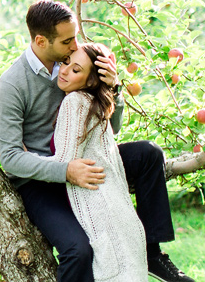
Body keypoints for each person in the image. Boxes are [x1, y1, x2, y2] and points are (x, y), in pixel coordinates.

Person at [0, 0, 194, 282]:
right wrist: (66, 170)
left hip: (87, 159)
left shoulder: (73, 62)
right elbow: (11, 158)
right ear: (41, 41)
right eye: (68, 40)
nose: (76, 45)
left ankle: (151, 253)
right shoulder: (13, 85)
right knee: (79, 249)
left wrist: (113, 88)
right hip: (42, 181)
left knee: (148, 154)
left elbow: (108, 130)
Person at [49, 42, 146, 281]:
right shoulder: (98, 106)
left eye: (76, 70)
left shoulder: (74, 102)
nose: (64, 71)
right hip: (120, 209)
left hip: (99, 209)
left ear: (91, 80)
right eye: (65, 63)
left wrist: (23, 155)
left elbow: (64, 163)